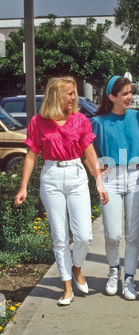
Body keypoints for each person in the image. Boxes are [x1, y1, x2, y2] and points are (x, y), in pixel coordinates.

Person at [15, 76, 108, 306]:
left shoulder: (80, 120)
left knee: (84, 236)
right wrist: (23, 187)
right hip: (51, 178)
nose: (74, 97)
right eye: (70, 93)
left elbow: (90, 154)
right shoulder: (38, 122)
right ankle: (67, 288)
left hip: (76, 175)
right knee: (59, 237)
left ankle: (77, 268)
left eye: (74, 93)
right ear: (57, 95)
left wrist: (99, 181)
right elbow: (31, 155)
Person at [91, 76, 139, 300]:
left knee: (133, 235)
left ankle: (130, 278)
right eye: (124, 93)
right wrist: (97, 173)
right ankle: (114, 270)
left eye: (130, 92)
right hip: (110, 178)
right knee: (113, 234)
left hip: (136, 177)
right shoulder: (98, 122)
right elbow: (89, 151)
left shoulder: (138, 117)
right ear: (111, 97)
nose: (129, 97)